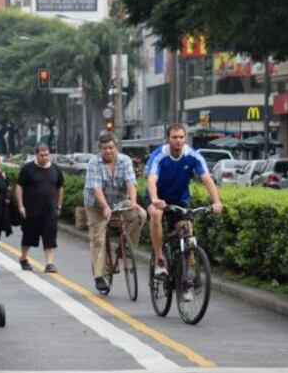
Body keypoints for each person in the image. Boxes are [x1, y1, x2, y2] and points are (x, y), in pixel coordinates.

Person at [146, 124, 224, 292]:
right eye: (174, 137)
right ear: (168, 139)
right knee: (156, 214)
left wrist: (217, 202)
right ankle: (160, 260)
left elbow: (207, 180)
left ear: (185, 139)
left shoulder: (193, 156)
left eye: (181, 137)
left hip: (180, 199)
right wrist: (154, 199)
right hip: (158, 197)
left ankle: (185, 282)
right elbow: (152, 179)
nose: (178, 140)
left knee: (188, 235)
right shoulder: (159, 155)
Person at [84, 134, 147, 294]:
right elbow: (96, 189)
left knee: (141, 214)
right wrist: (105, 207)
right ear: (100, 150)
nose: (108, 151)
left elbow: (131, 183)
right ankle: (99, 276)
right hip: (96, 205)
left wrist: (133, 202)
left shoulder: (125, 160)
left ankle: (124, 249)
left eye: (111, 148)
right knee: (98, 238)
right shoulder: (94, 163)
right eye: (104, 148)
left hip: (119, 201)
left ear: (116, 148)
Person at [16, 143, 65, 273]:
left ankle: (49, 263)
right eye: (42, 155)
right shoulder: (28, 169)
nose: (45, 158)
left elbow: (60, 187)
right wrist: (20, 206)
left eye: (47, 155)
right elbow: (19, 187)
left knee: (50, 237)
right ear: (36, 155)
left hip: (50, 210)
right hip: (31, 210)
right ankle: (23, 258)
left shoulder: (55, 169)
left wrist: (59, 205)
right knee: (29, 237)